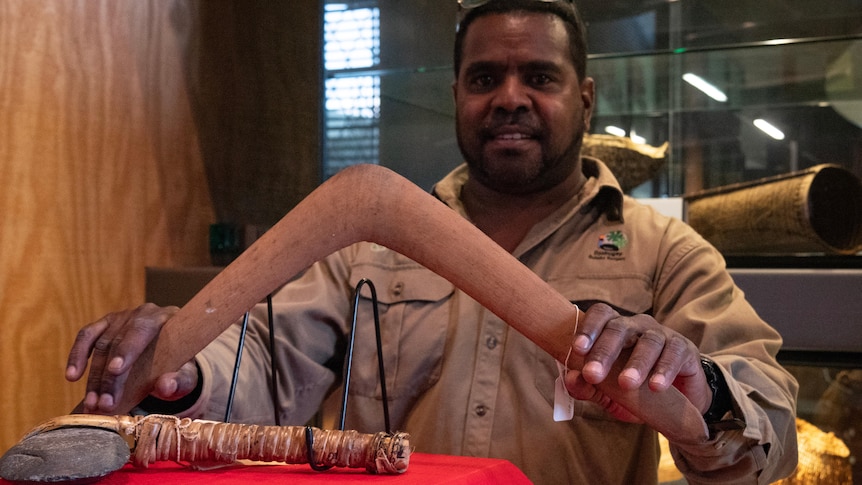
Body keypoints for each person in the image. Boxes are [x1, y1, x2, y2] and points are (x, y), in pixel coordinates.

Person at [65, 0, 798, 483]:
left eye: (538, 75)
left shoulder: (665, 253)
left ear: (585, 96)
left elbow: (770, 430)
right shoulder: (365, 249)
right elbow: (261, 357)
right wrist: (181, 368)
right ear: (455, 94)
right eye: (485, 77)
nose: (509, 95)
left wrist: (701, 394)